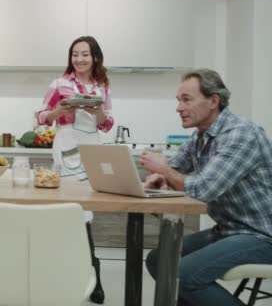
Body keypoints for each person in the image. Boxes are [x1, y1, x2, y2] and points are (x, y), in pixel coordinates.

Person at [141, 69, 272, 306]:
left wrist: (165, 171)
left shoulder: (241, 134)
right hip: (229, 230)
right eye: (178, 100)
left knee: (181, 273)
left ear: (213, 101)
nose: (178, 107)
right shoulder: (200, 136)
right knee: (159, 261)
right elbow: (173, 168)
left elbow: (204, 189)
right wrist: (162, 177)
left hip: (263, 235)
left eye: (186, 99)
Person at [35, 35, 113, 304]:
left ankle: (92, 271)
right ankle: (73, 271)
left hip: (92, 145)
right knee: (70, 210)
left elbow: (107, 123)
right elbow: (41, 117)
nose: (79, 59)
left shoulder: (102, 86)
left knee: (86, 209)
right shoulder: (59, 83)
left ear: (95, 58)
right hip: (67, 143)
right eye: (75, 54)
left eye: (85, 54)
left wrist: (97, 112)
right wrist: (58, 111)